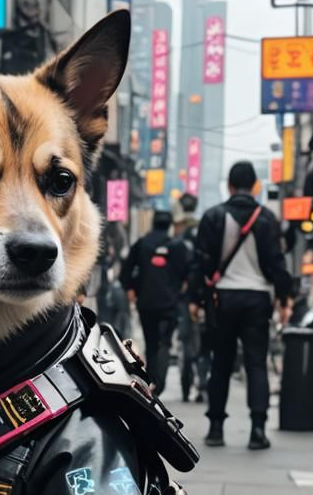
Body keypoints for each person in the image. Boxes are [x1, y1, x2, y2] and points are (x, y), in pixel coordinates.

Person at [190, 161, 294, 450]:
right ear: (255, 186)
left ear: (230, 186)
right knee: (256, 363)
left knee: (220, 362)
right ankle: (258, 429)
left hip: (223, 298)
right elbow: (277, 265)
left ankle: (215, 428)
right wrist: (285, 298)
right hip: (258, 298)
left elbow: (200, 264)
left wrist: (196, 300)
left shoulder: (213, 216)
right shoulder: (267, 219)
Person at [121, 209, 190, 393]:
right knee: (165, 341)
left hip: (147, 303)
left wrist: (131, 289)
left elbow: (125, 271)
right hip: (170, 303)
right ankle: (160, 380)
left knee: (151, 342)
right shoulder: (177, 246)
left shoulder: (142, 244)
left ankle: (153, 380)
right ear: (169, 226)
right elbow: (189, 272)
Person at [174, 198, 210, 402]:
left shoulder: (179, 240)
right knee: (205, 345)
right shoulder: (204, 233)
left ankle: (188, 385)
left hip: (185, 300)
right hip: (204, 297)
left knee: (187, 343)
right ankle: (203, 383)